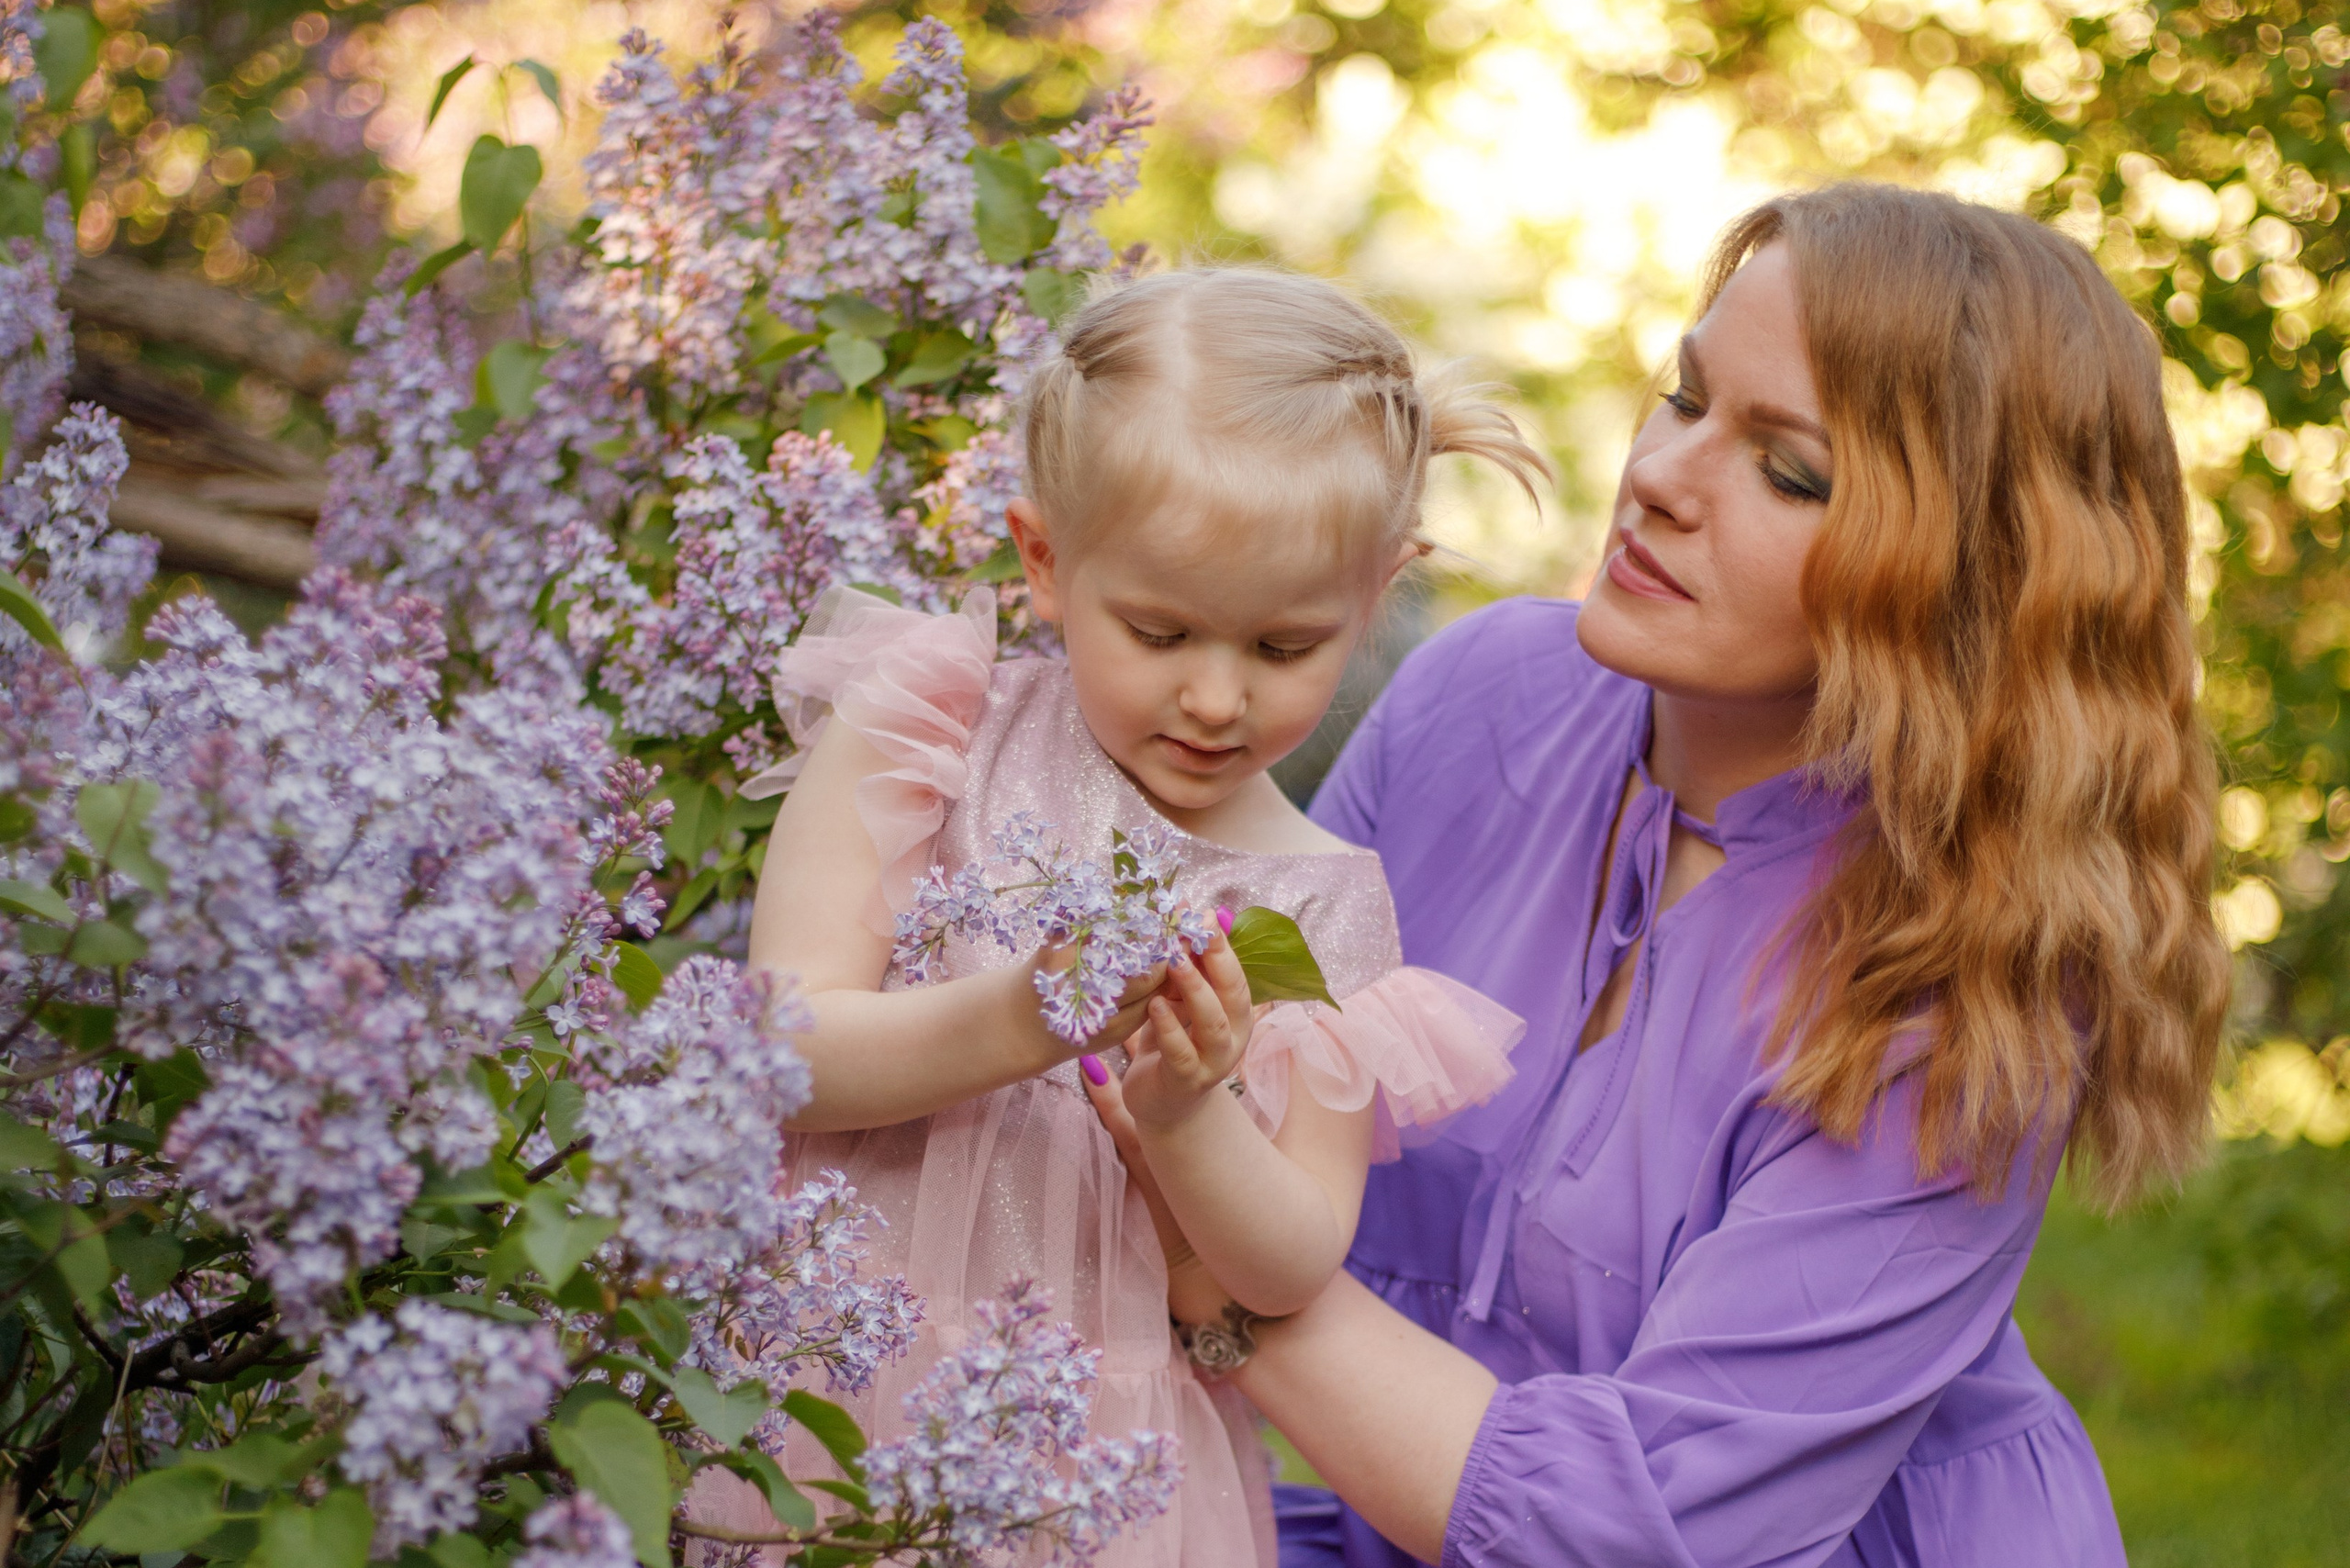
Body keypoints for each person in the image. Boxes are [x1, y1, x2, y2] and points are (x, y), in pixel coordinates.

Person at [1086, 185, 2232, 1567]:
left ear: (1960, 576)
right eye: (1686, 398)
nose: (1662, 478)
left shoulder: (1966, 968)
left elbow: (1642, 1535)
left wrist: (1217, 1274)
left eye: (1788, 470)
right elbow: (1238, 1104)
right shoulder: (1478, 698)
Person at [691, 266, 1547, 1566]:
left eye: (1282, 648)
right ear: (1045, 560)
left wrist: (1186, 1116)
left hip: (1100, 1481)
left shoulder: (1320, 911)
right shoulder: (933, 727)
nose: (1215, 698)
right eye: (1160, 630)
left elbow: (1289, 1268)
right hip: (830, 1389)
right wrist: (1027, 1012)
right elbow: (781, 1051)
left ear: (1378, 598)